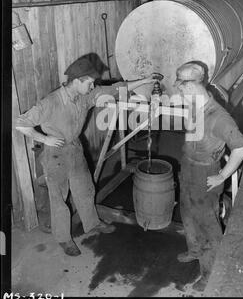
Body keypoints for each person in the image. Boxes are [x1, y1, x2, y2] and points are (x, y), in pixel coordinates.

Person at [15, 55, 156, 256]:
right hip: (55, 154)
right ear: (77, 81)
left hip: (74, 148)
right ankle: (63, 238)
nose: (92, 87)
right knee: (59, 198)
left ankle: (92, 223)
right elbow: (21, 123)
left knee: (85, 189)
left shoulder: (84, 95)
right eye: (89, 83)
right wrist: (44, 139)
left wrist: (145, 80)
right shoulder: (51, 102)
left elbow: (116, 89)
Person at [174, 61, 243, 290]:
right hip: (188, 166)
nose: (177, 87)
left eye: (181, 83)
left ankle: (209, 273)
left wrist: (222, 175)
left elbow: (241, 148)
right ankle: (194, 250)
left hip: (205, 172)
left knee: (207, 225)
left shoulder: (219, 117)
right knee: (186, 211)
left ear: (196, 85)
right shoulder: (195, 104)